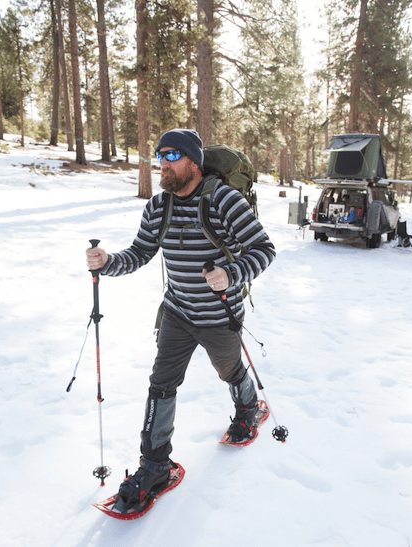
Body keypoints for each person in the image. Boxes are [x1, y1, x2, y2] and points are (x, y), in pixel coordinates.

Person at [85, 128, 276, 511]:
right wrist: (107, 263)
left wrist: (231, 274)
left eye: (172, 156)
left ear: (193, 160)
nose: (163, 164)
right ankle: (155, 464)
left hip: (219, 314)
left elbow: (263, 249)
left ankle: (248, 406)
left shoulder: (225, 200)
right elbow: (140, 252)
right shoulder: (159, 206)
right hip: (177, 312)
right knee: (161, 383)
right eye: (160, 156)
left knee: (228, 369)